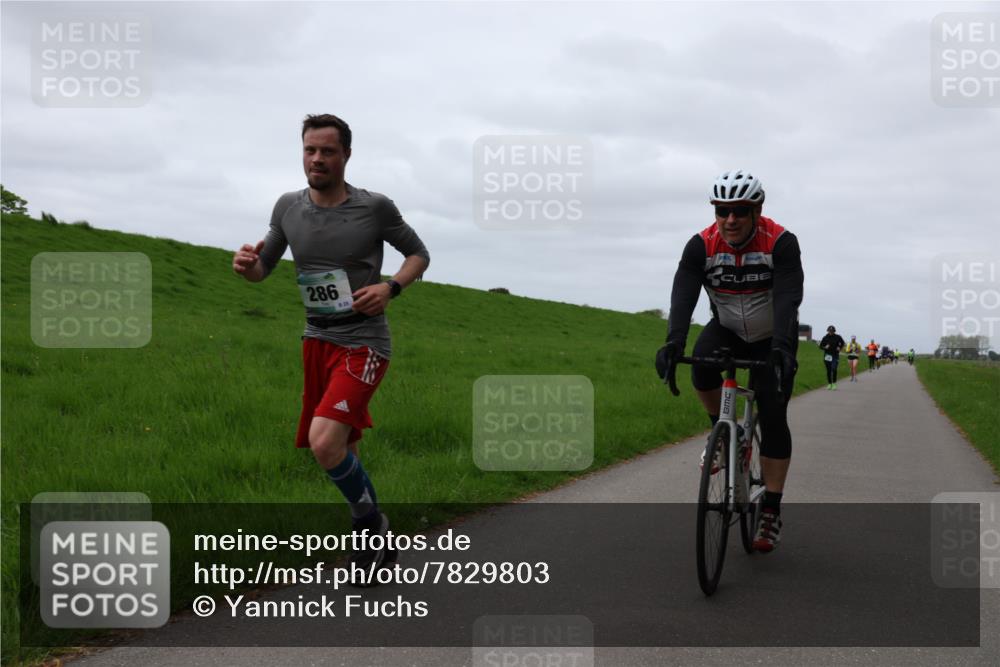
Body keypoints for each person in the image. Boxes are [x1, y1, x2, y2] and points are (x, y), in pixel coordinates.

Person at [232, 114, 430, 581]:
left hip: (364, 342)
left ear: (346, 155)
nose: (317, 159)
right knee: (343, 445)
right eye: (310, 150)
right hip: (317, 339)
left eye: (327, 151)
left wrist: (391, 288)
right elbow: (264, 267)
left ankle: (369, 526)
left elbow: (419, 254)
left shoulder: (375, 207)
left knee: (324, 442)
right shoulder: (287, 207)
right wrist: (247, 267)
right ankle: (375, 546)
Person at [655, 170, 803, 552]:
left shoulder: (781, 243)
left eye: (739, 210)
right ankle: (722, 433)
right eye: (722, 210)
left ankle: (770, 507)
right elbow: (683, 294)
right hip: (727, 328)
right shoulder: (700, 245)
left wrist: (784, 348)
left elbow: (788, 298)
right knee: (701, 365)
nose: (730, 219)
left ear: (757, 209)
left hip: (771, 337)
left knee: (772, 415)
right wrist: (673, 342)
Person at [818, 325, 845, 390]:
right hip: (827, 356)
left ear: (834, 331)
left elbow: (843, 343)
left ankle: (834, 384)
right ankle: (829, 384)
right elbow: (820, 346)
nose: (831, 332)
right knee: (829, 370)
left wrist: (839, 347)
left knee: (834, 369)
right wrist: (825, 347)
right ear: (828, 331)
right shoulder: (825, 337)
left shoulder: (838, 337)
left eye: (832, 331)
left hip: (835, 355)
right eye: (830, 331)